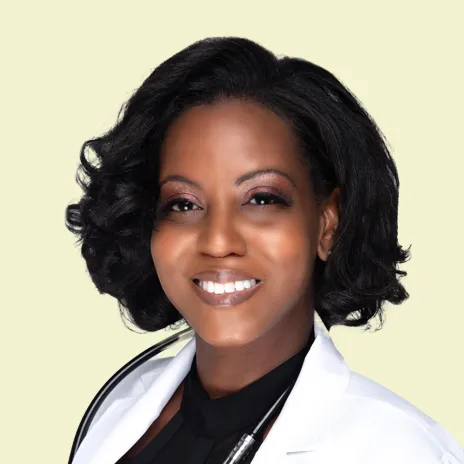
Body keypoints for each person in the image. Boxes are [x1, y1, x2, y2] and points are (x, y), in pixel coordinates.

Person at [65, 36, 463, 463]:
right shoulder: (123, 404)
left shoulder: (401, 450)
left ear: (327, 224)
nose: (218, 241)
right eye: (183, 204)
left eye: (261, 199)